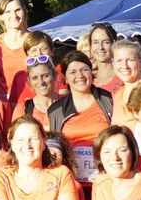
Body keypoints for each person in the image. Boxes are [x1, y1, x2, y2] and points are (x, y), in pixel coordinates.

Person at [48, 50, 112, 184]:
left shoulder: (108, 100)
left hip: (106, 179)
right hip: (71, 183)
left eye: (84, 69)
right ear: (65, 78)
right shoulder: (55, 111)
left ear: (91, 72)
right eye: (72, 72)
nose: (80, 75)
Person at [0, 0, 33, 104]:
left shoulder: (36, 40)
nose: (14, 16)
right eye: (8, 12)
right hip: (5, 102)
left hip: (33, 100)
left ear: (24, 11)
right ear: (0, 16)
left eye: (17, 10)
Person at [16, 53, 58, 129]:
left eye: (45, 76)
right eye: (34, 78)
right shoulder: (23, 109)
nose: (41, 82)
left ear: (54, 75)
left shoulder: (67, 103)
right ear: (29, 81)